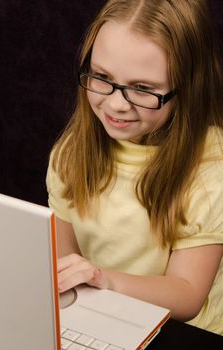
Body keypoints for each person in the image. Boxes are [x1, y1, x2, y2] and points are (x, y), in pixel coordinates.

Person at [46, 0, 223, 335]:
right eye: (101, 77)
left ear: (187, 89)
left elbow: (187, 295)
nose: (115, 104)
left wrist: (103, 278)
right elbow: (65, 269)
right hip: (99, 315)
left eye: (142, 89)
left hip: (181, 330)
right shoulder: (71, 152)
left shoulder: (212, 171)